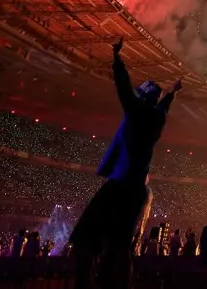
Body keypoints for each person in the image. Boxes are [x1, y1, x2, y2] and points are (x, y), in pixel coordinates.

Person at [69, 38, 181, 289]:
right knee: (119, 245)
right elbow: (163, 105)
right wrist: (173, 92)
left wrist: (117, 58)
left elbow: (123, 87)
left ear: (142, 99)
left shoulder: (138, 112)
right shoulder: (157, 118)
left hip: (120, 185)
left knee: (85, 238)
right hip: (136, 190)